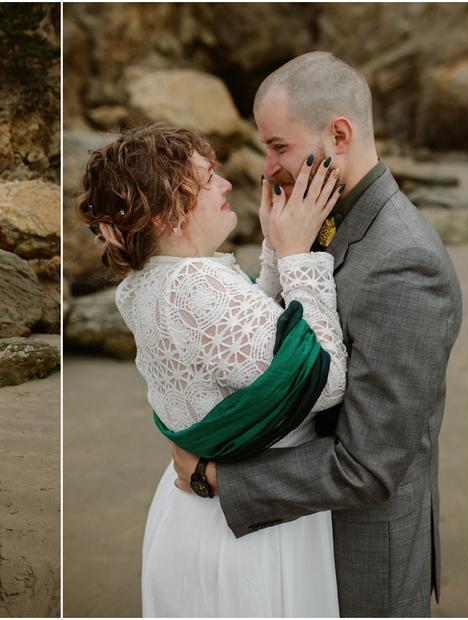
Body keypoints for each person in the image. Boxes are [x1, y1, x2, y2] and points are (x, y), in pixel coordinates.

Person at [172, 52, 463, 617]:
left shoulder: (404, 263)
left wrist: (216, 479)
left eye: (279, 146)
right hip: (297, 547)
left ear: (338, 134)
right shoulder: (314, 220)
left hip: (361, 562)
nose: (268, 168)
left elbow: (369, 465)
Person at [76, 124, 348, 616]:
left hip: (194, 513)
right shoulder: (198, 285)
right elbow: (323, 382)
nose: (225, 185)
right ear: (166, 210)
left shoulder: (145, 283)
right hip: (253, 531)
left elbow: (247, 350)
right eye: (207, 179)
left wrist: (272, 247)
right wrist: (298, 256)